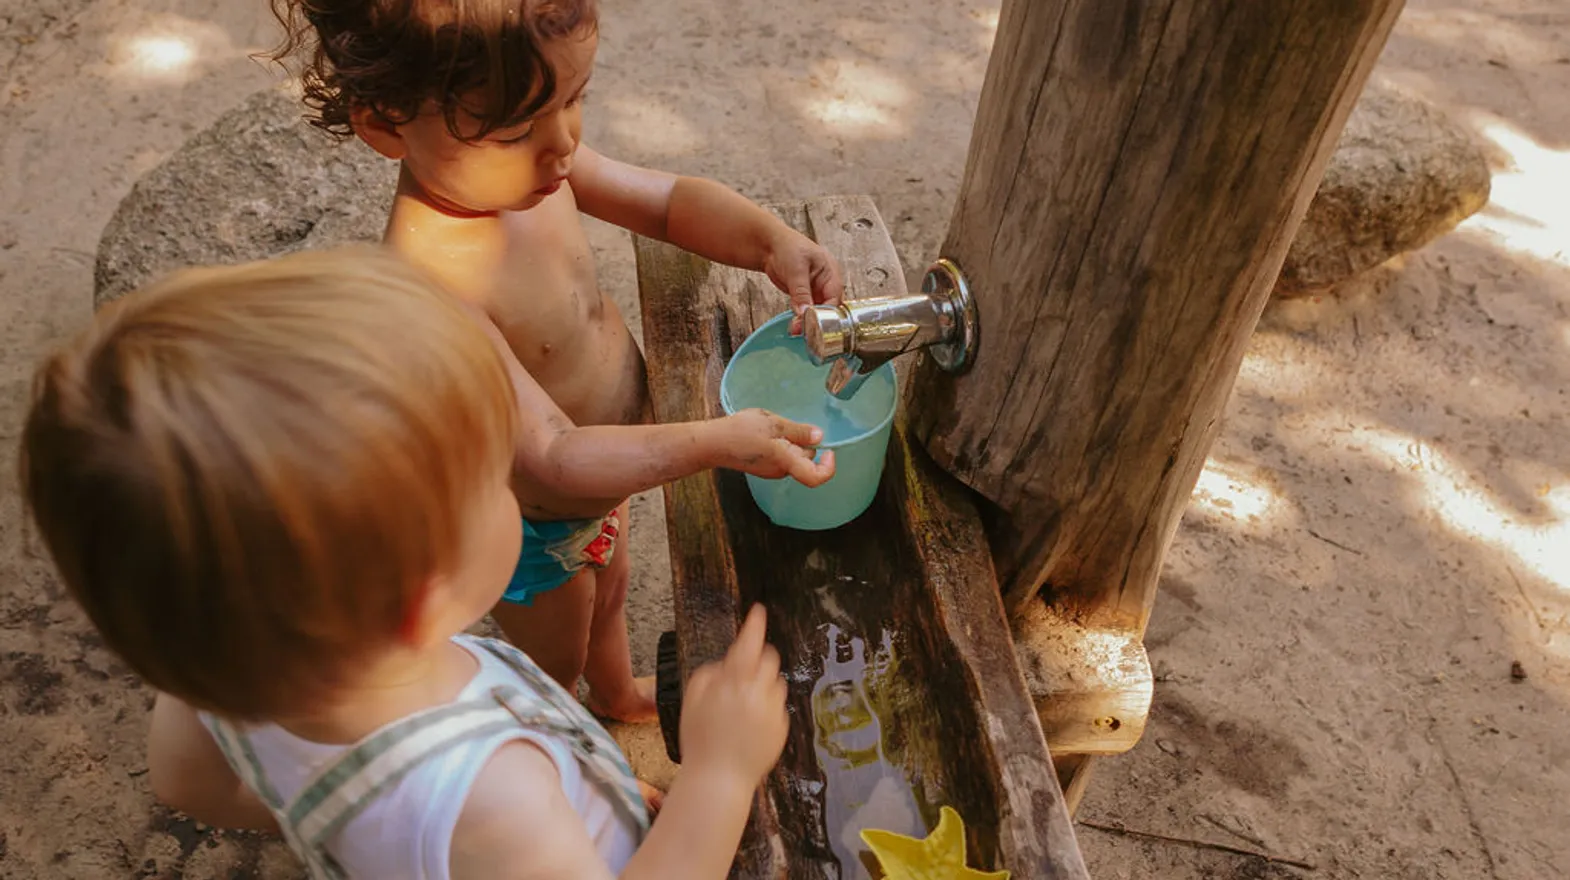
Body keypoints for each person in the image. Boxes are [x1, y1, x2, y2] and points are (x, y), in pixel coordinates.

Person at [20, 247, 792, 878]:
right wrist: (717, 781)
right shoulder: (497, 804)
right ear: (421, 605)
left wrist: (369, 825)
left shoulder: (226, 667)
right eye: (497, 482)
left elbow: (188, 784)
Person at [271, 0, 845, 722]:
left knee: (610, 600)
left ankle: (616, 697)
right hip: (531, 533)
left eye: (574, 100)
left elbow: (667, 203)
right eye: (515, 129)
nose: (564, 146)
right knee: (552, 668)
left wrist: (769, 242)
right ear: (386, 125)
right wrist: (716, 444)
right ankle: (567, 754)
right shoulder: (434, 285)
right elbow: (550, 453)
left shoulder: (532, 170)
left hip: (608, 478)